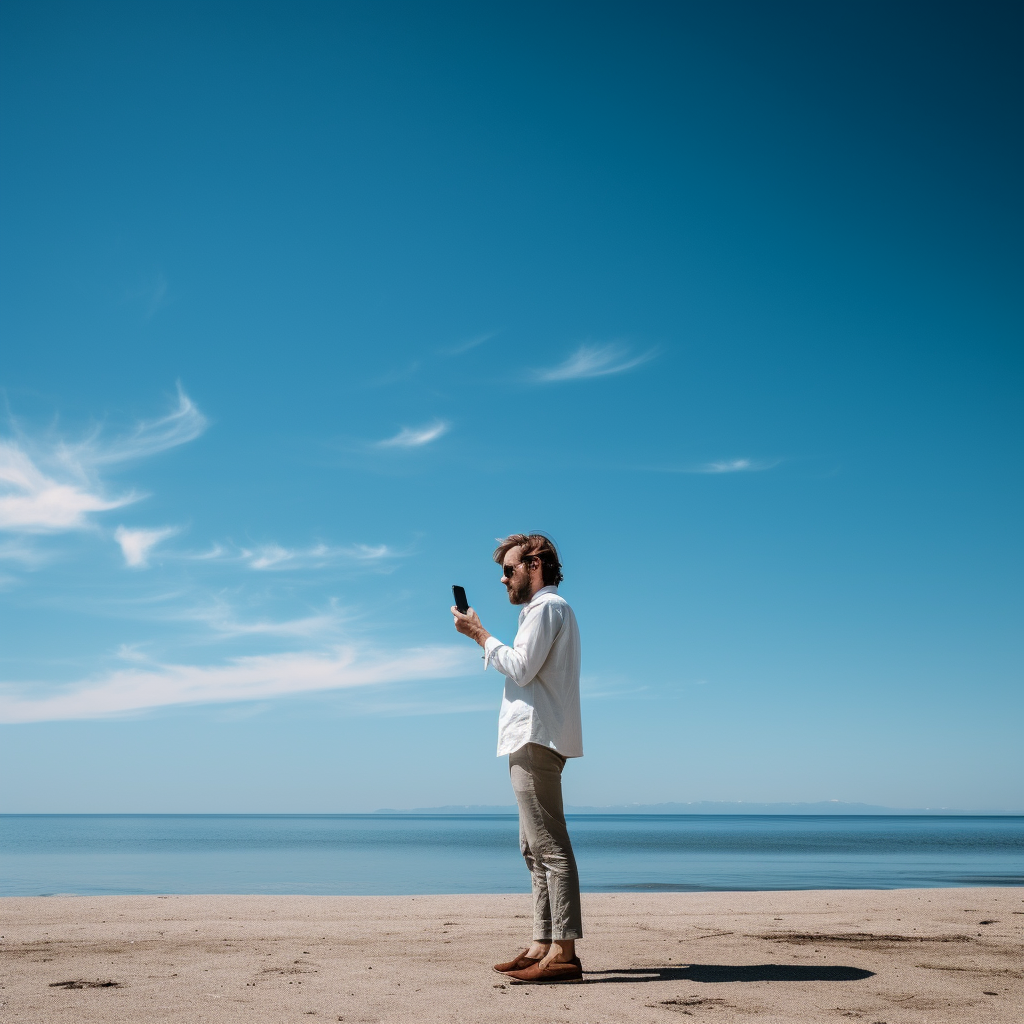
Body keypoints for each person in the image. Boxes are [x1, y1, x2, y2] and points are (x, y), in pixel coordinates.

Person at [451, 533, 584, 984]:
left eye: (510, 570)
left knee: (548, 846)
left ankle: (563, 953)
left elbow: (522, 667)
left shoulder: (547, 608)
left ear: (536, 565)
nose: (503, 578)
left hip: (536, 736)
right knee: (534, 847)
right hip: (537, 736)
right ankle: (541, 943)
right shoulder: (546, 610)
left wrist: (480, 635)